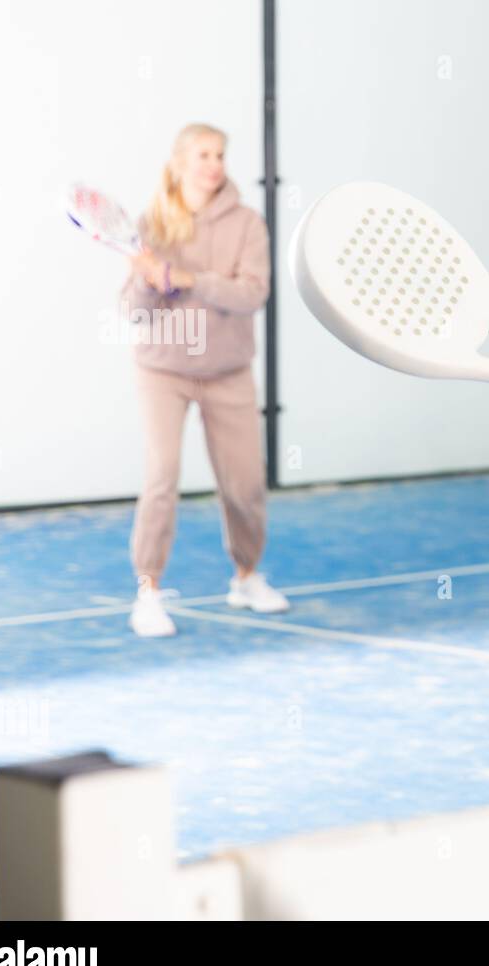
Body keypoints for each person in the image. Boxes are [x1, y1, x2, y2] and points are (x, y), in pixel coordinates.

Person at [121, 122, 289, 637]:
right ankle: (147, 593)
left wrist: (191, 278)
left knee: (244, 485)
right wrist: (151, 284)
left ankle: (245, 577)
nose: (213, 164)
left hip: (227, 371)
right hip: (163, 370)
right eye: (202, 154)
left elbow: (251, 294)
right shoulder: (152, 223)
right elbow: (133, 311)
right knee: (161, 477)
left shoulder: (248, 225)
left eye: (219, 154)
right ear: (179, 163)